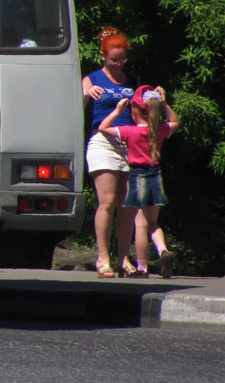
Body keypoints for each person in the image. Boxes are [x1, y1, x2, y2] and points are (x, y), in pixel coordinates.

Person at [99, 86, 180, 278]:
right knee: (153, 222)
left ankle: (142, 267)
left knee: (140, 224)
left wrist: (117, 111)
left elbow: (103, 128)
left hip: (137, 175)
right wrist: (164, 103)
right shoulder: (159, 130)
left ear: (134, 111)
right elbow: (175, 121)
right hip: (155, 174)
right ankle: (162, 250)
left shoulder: (130, 132)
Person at [82, 26, 140, 278]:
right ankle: (103, 258)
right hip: (103, 141)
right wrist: (85, 92)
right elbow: (79, 105)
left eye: (121, 59)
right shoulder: (92, 78)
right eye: (113, 59)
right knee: (106, 201)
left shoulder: (132, 80)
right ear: (103, 56)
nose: (117, 64)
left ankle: (124, 258)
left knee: (126, 205)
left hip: (129, 142)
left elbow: (141, 112)